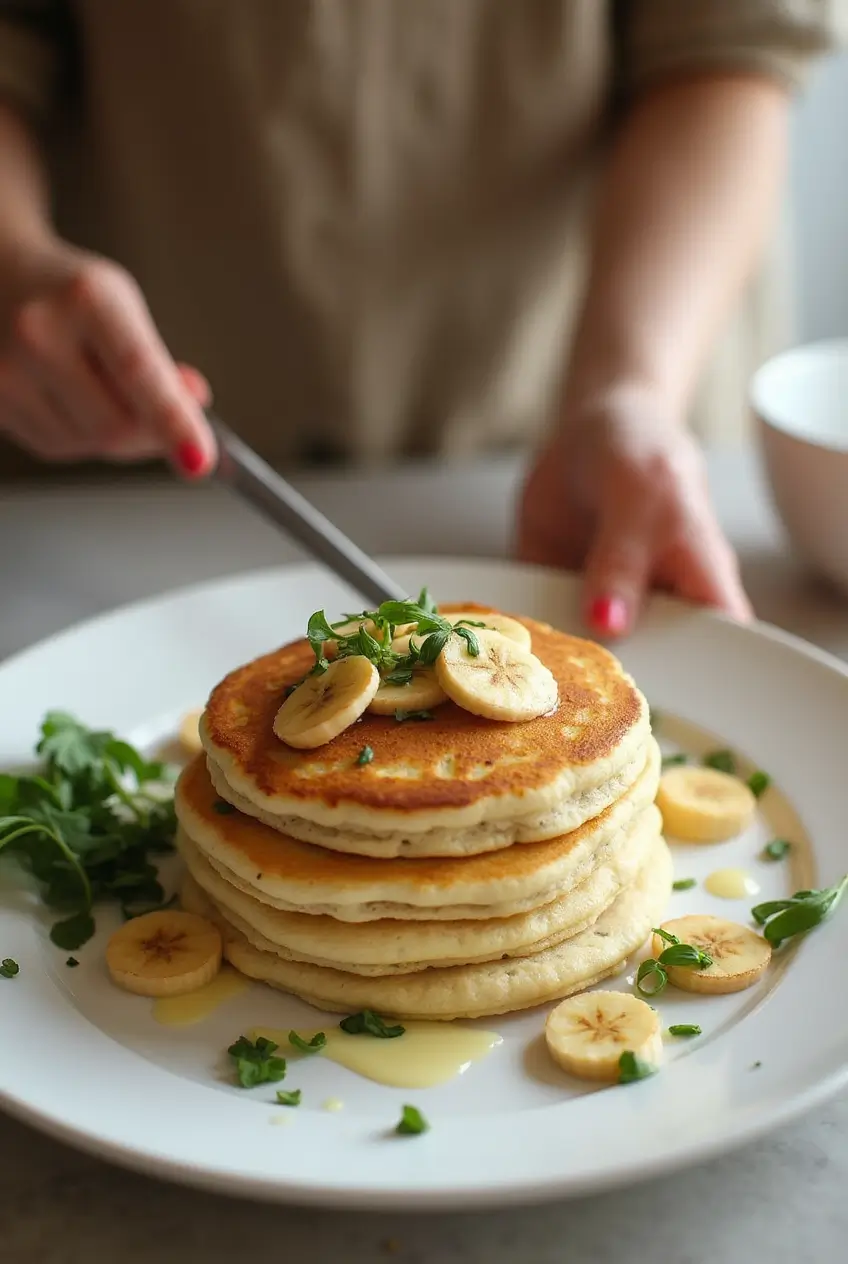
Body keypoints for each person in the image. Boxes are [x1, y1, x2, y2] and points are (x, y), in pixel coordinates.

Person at [0, 2, 841, 636]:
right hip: (119, 481)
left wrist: (626, 392)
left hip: (584, 422)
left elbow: (730, 46)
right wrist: (15, 263)